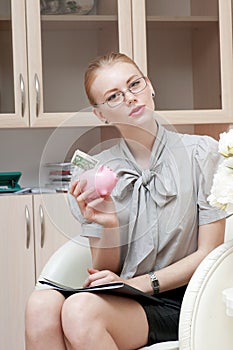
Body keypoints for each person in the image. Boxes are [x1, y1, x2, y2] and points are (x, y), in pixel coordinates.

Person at [25, 52, 227, 350]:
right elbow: (105, 268)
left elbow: (210, 251)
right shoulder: (93, 172)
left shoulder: (202, 154)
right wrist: (109, 222)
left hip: (188, 299)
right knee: (40, 305)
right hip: (126, 300)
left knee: (80, 311)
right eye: (114, 96)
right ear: (100, 114)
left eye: (134, 85)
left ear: (150, 85)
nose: (131, 98)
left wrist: (142, 284)